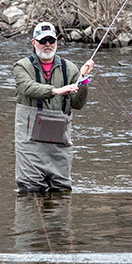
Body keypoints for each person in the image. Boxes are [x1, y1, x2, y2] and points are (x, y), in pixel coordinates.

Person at [13, 21, 95, 194]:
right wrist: (56, 91)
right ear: (34, 42)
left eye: (51, 40)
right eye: (43, 41)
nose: (48, 45)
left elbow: (78, 104)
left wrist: (84, 80)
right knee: (30, 189)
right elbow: (26, 87)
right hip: (29, 140)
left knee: (61, 190)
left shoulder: (70, 68)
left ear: (57, 41)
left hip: (60, 139)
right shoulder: (22, 66)